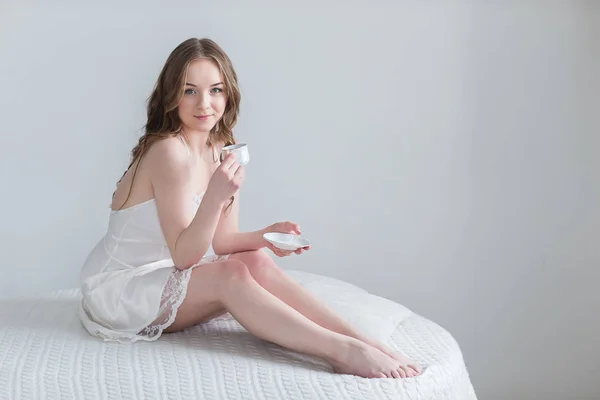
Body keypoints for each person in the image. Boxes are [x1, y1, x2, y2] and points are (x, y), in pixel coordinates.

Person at [78, 37, 422, 379]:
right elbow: (185, 257)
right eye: (189, 91)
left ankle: (362, 339)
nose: (205, 104)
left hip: (167, 275)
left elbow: (223, 241)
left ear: (229, 95)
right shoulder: (168, 152)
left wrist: (265, 237)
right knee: (230, 275)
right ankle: (344, 351)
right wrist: (215, 196)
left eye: (215, 90)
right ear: (171, 96)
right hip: (122, 289)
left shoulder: (223, 148)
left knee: (253, 259)